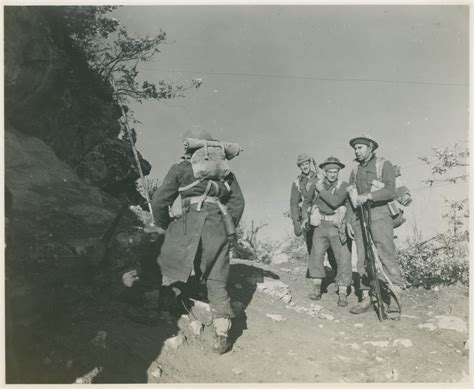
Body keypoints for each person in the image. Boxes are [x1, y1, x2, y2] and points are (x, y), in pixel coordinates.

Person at [150, 129, 245, 354]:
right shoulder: (226, 174)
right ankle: (222, 334)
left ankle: (155, 311)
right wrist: (227, 225)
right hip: (219, 226)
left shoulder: (181, 169)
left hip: (189, 223)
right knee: (216, 279)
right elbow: (238, 203)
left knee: (171, 265)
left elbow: (159, 201)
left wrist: (164, 223)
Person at [345, 135, 403, 314]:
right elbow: (350, 198)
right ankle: (366, 297)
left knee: (386, 254)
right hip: (360, 217)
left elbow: (390, 190)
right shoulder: (355, 172)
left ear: (370, 148)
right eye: (355, 148)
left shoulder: (383, 164)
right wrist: (348, 221)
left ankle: (394, 298)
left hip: (380, 214)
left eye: (360, 147)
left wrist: (369, 196)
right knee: (363, 258)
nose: (357, 151)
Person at [302, 156, 352, 307]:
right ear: (324, 171)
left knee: (343, 258)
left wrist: (321, 190)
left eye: (335, 171)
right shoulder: (316, 184)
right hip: (320, 225)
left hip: (337, 224)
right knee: (316, 255)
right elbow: (306, 201)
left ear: (338, 172)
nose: (332, 174)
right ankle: (316, 287)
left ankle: (342, 292)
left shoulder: (343, 185)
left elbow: (335, 201)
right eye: (329, 171)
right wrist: (305, 216)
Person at [289, 153, 318, 253]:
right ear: (299, 167)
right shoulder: (297, 182)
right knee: (311, 247)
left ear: (310, 164)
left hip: (320, 213)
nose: (305, 167)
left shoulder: (318, 176)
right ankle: (314, 268)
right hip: (306, 217)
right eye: (302, 165)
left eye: (306, 164)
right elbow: (294, 203)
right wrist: (296, 222)